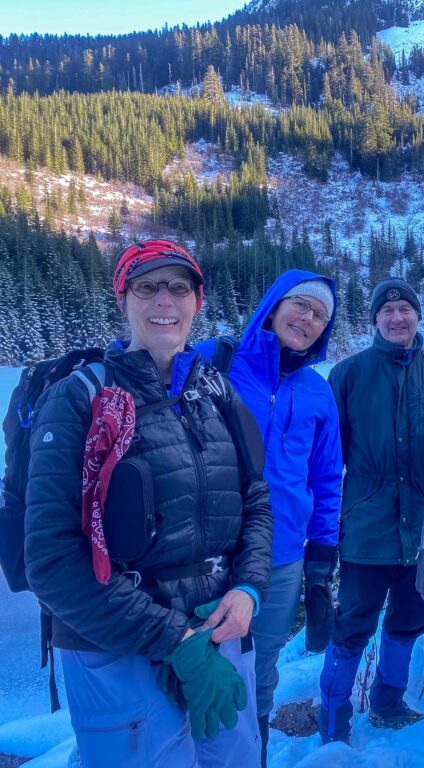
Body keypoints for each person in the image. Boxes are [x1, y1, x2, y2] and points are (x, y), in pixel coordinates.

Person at [24, 240, 273, 768]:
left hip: (216, 626)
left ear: (197, 301)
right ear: (124, 299)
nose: (165, 299)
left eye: (179, 287)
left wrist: (249, 589)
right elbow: (50, 561)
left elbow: (256, 501)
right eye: (147, 286)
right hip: (119, 643)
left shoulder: (217, 393)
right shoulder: (78, 399)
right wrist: (171, 637)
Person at [318, 277, 424, 744]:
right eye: (386, 312)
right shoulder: (347, 375)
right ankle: (333, 720)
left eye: (405, 309)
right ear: (374, 321)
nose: (397, 318)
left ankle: (388, 701)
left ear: (418, 317)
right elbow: (329, 460)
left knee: (410, 618)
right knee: (351, 625)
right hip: (367, 527)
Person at [197, 270, 342, 767]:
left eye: (319, 315)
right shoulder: (215, 363)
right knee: (195, 664)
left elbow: (325, 479)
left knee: (261, 669)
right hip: (208, 555)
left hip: (282, 561)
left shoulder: (319, 393)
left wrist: (321, 558)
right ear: (274, 306)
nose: (307, 319)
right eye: (300, 305)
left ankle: (251, 755)